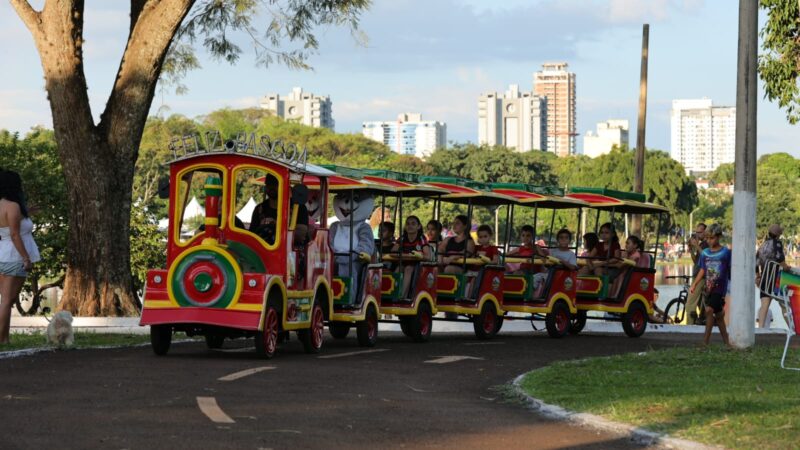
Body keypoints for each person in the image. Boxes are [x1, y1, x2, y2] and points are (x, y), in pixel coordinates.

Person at [0, 171, 40, 345]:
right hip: (14, 257)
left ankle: (5, 339)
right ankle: (2, 339)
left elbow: (8, 225)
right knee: (7, 301)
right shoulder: (13, 206)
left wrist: (27, 211)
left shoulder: (3, 205)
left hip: (3, 254)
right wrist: (26, 258)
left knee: (5, 300)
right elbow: (15, 234)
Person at [689, 224, 731, 346]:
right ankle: (727, 344)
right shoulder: (705, 253)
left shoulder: (726, 252)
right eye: (707, 238)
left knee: (708, 310)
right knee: (719, 316)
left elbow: (731, 269)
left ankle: (705, 342)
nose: (709, 240)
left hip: (720, 288)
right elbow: (702, 269)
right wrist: (695, 284)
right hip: (709, 287)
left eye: (712, 238)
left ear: (718, 237)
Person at [756, 224, 790, 328]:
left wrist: (758, 276)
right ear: (778, 234)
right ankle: (792, 329)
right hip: (776, 278)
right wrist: (786, 267)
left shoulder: (762, 245)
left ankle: (760, 329)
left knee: (764, 305)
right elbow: (780, 259)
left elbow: (755, 262)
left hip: (764, 278)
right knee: (784, 304)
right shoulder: (777, 244)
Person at [392, 216, 430, 299]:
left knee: (408, 269)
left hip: (417, 266)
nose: (410, 226)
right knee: (398, 269)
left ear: (418, 226)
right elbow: (393, 252)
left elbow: (428, 256)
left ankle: (403, 296)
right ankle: (393, 294)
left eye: (413, 224)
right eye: (408, 224)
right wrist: (407, 255)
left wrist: (419, 256)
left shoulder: (421, 239)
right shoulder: (402, 238)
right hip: (403, 263)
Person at [686, 223, 708, 324]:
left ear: (705, 232)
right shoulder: (701, 244)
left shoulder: (706, 244)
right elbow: (696, 261)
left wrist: (696, 245)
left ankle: (689, 326)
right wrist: (691, 250)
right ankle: (699, 322)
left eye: (699, 232)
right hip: (697, 275)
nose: (697, 235)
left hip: (701, 277)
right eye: (696, 232)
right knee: (699, 303)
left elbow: (706, 256)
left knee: (690, 303)